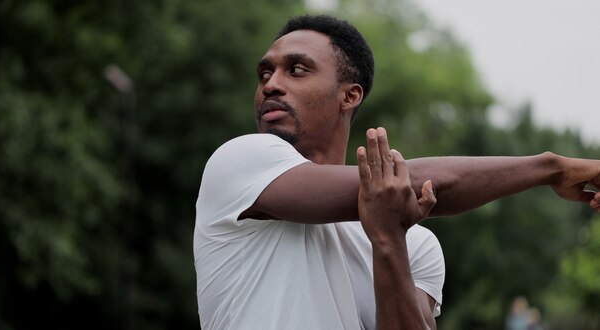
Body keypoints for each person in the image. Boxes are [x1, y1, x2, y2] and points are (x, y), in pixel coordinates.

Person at [194, 14, 600, 329]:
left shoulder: (417, 246)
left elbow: (396, 193)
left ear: (349, 95)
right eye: (265, 73)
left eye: (296, 70)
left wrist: (388, 242)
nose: (271, 84)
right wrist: (551, 168)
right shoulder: (240, 163)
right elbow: (415, 180)